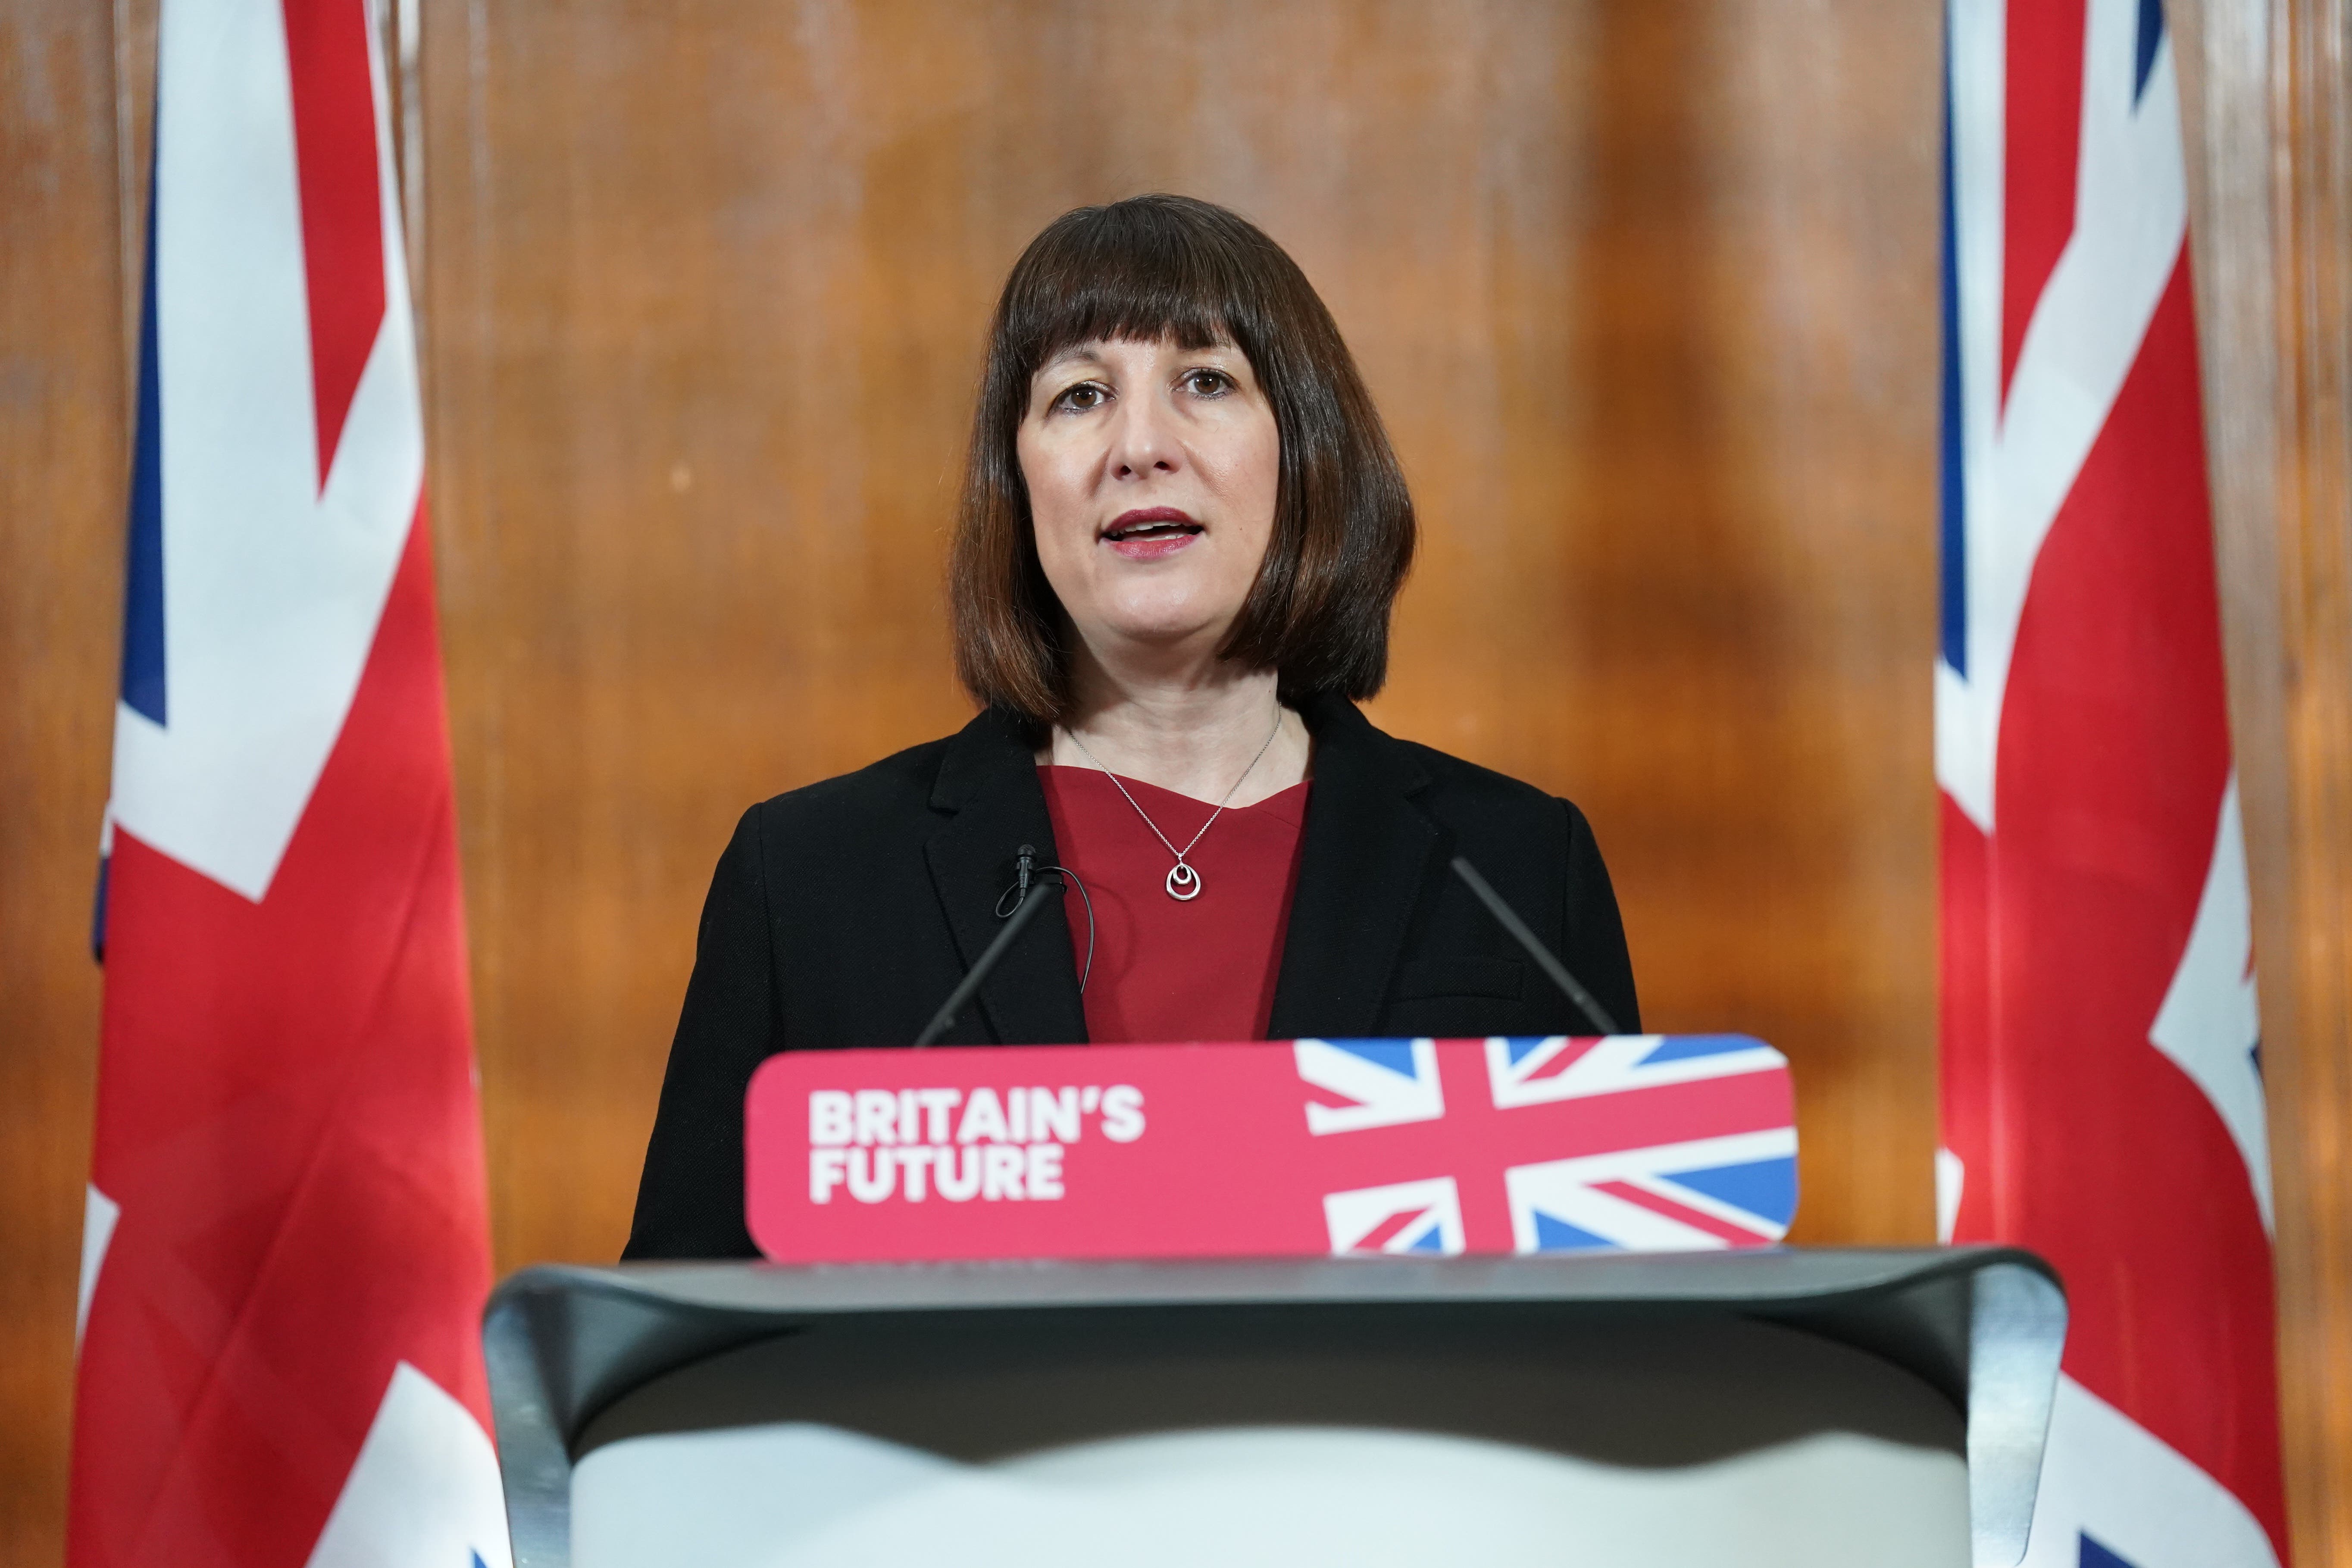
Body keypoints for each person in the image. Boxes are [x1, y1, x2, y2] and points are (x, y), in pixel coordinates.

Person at [624, 194, 1638, 1259]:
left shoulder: (1518, 868)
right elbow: (680, 1363)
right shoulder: (814, 879)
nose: (1139, 445)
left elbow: (1624, 1353)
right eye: (1078, 396)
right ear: (1015, 483)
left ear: (1305, 452)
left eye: (1206, 381)